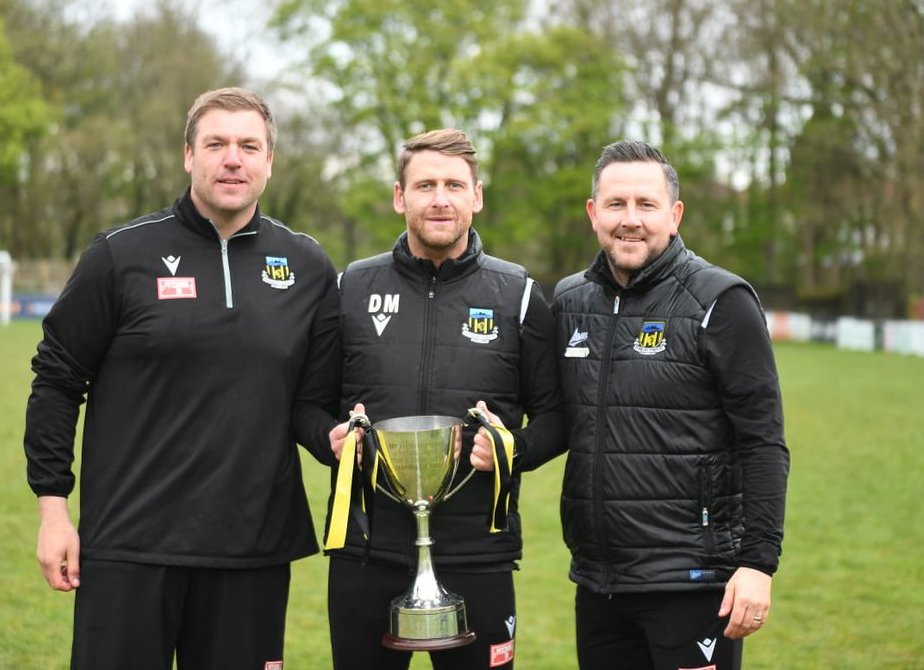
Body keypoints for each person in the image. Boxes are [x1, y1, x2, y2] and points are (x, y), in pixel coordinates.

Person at [24, 87, 341, 670]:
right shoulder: (121, 256)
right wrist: (53, 511)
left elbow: (312, 404)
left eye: (249, 146)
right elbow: (57, 379)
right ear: (187, 155)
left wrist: (333, 440)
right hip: (129, 545)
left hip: (252, 550)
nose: (232, 159)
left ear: (269, 161)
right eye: (216, 143)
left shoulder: (308, 267)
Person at [324, 129, 566, 670]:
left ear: (476, 196)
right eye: (425, 185)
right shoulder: (351, 289)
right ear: (398, 197)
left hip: (478, 553)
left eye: (454, 185)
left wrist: (513, 449)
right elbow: (306, 406)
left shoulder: (519, 293)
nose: (440, 199)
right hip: (367, 551)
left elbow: (558, 416)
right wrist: (329, 439)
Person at [551, 140, 790, 670]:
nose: (630, 220)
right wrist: (501, 446)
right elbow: (561, 422)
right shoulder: (570, 303)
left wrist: (758, 563)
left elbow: (764, 442)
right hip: (600, 581)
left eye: (646, 204)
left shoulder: (720, 301)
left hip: (694, 581)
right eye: (616, 204)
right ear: (593, 213)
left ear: (675, 215)